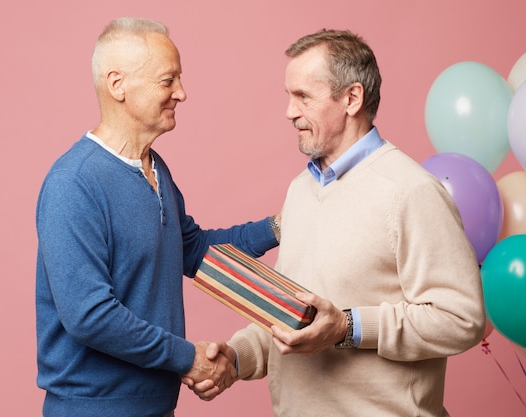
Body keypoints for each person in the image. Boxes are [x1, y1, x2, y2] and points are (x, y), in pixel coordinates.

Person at [185, 29, 486, 416]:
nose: (290, 112)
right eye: (289, 96)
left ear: (351, 98)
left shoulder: (411, 192)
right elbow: (292, 315)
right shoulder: (300, 191)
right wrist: (236, 358)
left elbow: (461, 319)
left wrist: (347, 327)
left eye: (303, 97)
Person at [35, 17, 280, 417]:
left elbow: (196, 251)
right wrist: (187, 357)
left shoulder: (155, 169)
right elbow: (89, 317)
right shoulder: (73, 183)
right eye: (168, 81)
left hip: (156, 407)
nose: (181, 93)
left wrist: (278, 227)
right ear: (119, 85)